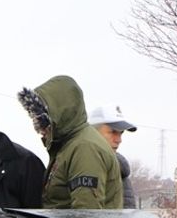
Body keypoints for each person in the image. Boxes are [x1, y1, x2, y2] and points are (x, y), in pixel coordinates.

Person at [18, 75, 123, 209]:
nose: (40, 125)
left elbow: (86, 216)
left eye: (44, 117)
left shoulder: (84, 148)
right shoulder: (69, 145)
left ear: (59, 113)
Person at [88, 104, 138, 209]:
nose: (119, 140)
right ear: (93, 132)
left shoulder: (114, 168)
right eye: (113, 132)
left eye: (120, 133)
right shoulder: (89, 162)